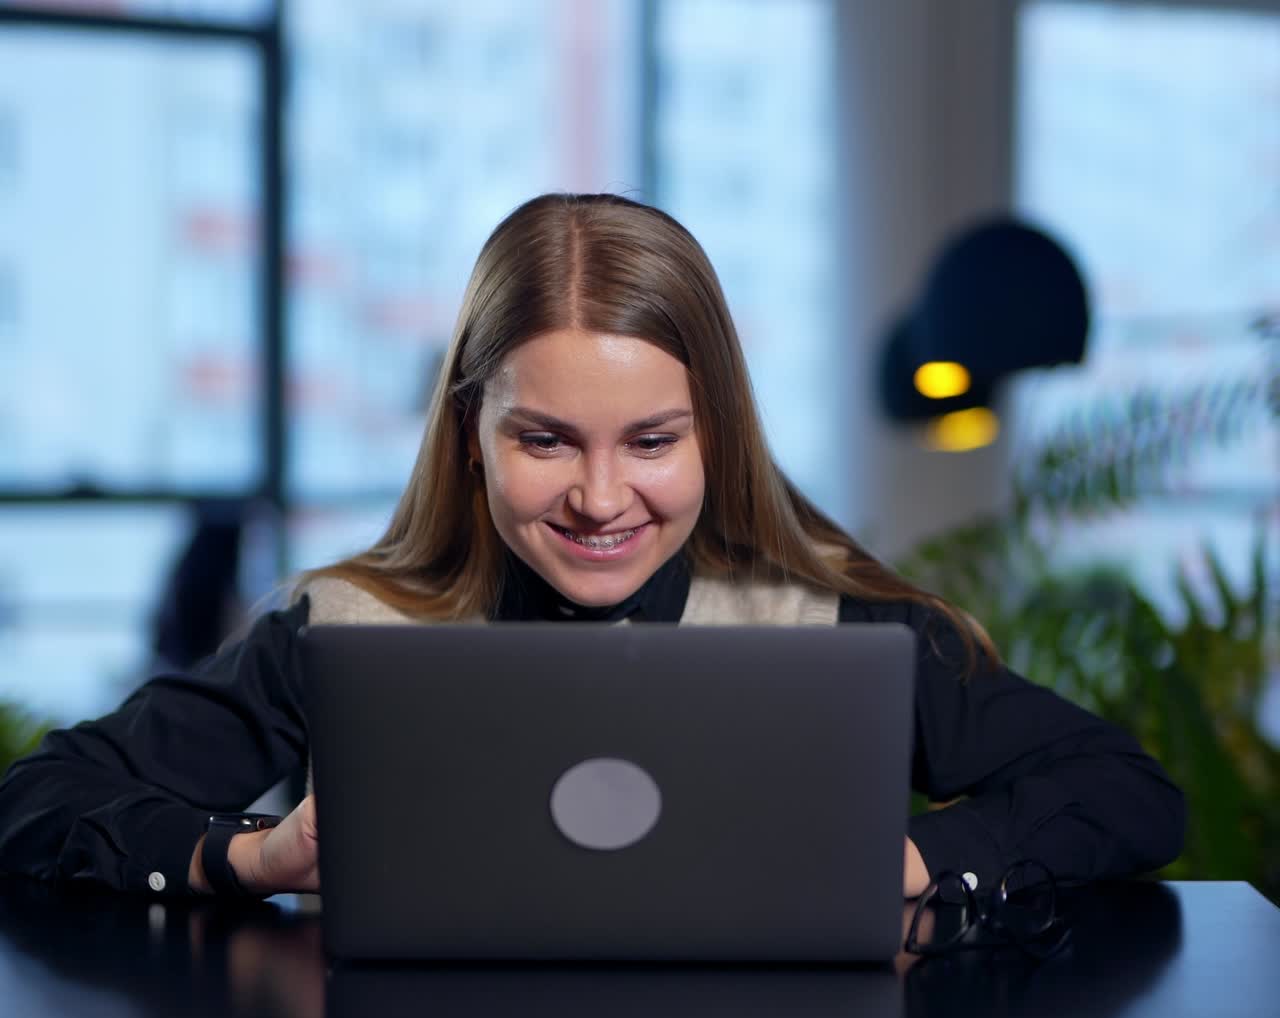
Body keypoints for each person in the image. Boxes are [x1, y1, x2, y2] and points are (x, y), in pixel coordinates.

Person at [0, 193, 1184, 901]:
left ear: (714, 431)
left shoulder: (830, 625)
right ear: (471, 436)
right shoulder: (349, 627)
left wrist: (914, 864)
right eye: (547, 440)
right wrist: (251, 858)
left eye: (652, 440)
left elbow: (1124, 793)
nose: (600, 496)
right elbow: (39, 799)